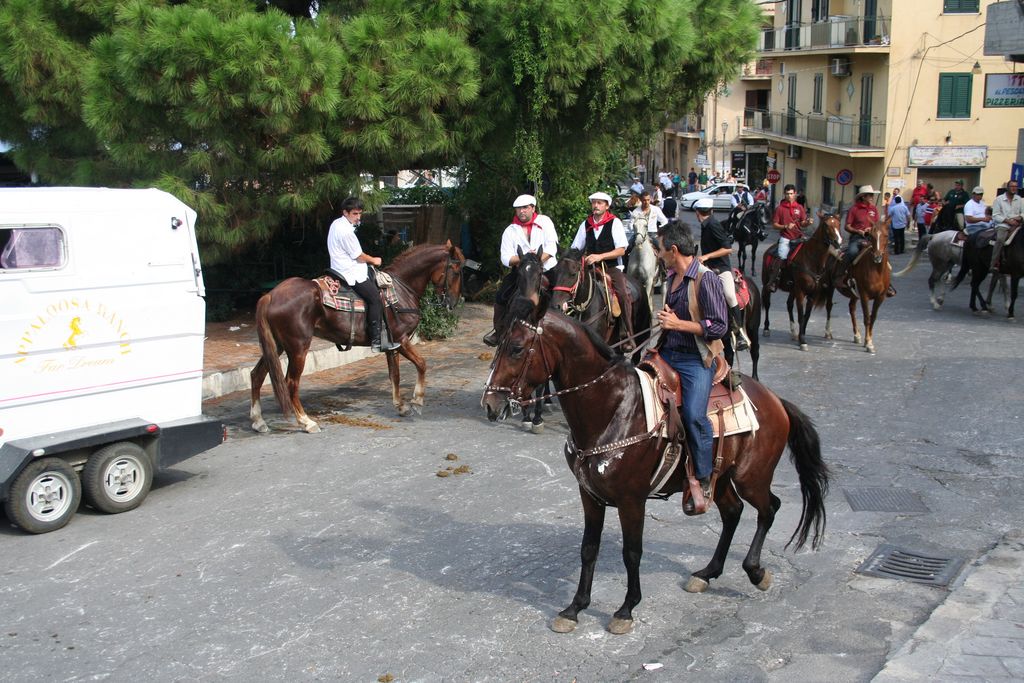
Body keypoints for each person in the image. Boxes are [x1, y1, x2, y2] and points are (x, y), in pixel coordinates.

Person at [654, 221, 728, 515]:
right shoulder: (671, 277)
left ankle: (704, 475)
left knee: (695, 416)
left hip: (695, 359)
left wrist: (678, 324)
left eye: (661, 249)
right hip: (667, 352)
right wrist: (667, 320)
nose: (659, 254)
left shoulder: (706, 279)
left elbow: (719, 326)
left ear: (673, 250)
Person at [483, 194, 559, 346]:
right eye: (518, 209)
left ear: (533, 208)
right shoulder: (510, 231)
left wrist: (536, 261)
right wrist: (525, 261)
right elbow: (506, 258)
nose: (521, 211)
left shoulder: (545, 222)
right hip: (522, 272)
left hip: (546, 269)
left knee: (561, 294)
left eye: (525, 208)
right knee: (502, 295)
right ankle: (499, 331)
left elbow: (552, 247)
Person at [327, 196, 399, 352]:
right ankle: (376, 341)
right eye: (355, 213)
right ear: (345, 212)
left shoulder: (336, 223)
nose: (358, 217)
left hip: (338, 267)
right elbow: (358, 256)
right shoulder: (346, 231)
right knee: (375, 298)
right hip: (349, 271)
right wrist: (374, 260)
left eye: (360, 213)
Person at [570, 191, 636, 349]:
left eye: (599, 203)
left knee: (622, 294)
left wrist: (600, 256)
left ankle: (627, 333)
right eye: (594, 202)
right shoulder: (586, 224)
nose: (595, 206)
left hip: (611, 267)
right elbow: (575, 248)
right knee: (568, 288)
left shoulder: (615, 223)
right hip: (589, 268)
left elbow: (621, 250)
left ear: (607, 206)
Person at [694, 197, 751, 352]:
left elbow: (727, 249)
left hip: (721, 268)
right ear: (711, 211)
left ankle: (739, 332)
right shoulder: (705, 225)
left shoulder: (713, 225)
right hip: (707, 267)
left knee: (730, 295)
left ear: (697, 213)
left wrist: (706, 256)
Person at [764, 184, 811, 291]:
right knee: (782, 256)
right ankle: (774, 280)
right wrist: (785, 226)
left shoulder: (799, 207)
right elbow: (775, 225)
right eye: (787, 194)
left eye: (791, 194)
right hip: (786, 238)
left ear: (795, 194)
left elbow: (803, 223)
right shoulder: (780, 208)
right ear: (784, 194)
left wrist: (808, 222)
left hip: (799, 238)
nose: (789, 196)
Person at [990, 179, 1023, 273]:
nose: (1014, 188)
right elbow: (995, 215)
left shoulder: (1019, 199)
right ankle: (994, 263)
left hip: (1017, 224)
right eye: (1012, 186)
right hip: (1003, 225)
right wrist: (1008, 221)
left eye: (1016, 186)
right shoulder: (999, 199)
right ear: (1007, 187)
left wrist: (1020, 218)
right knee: (1000, 239)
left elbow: (1023, 212)